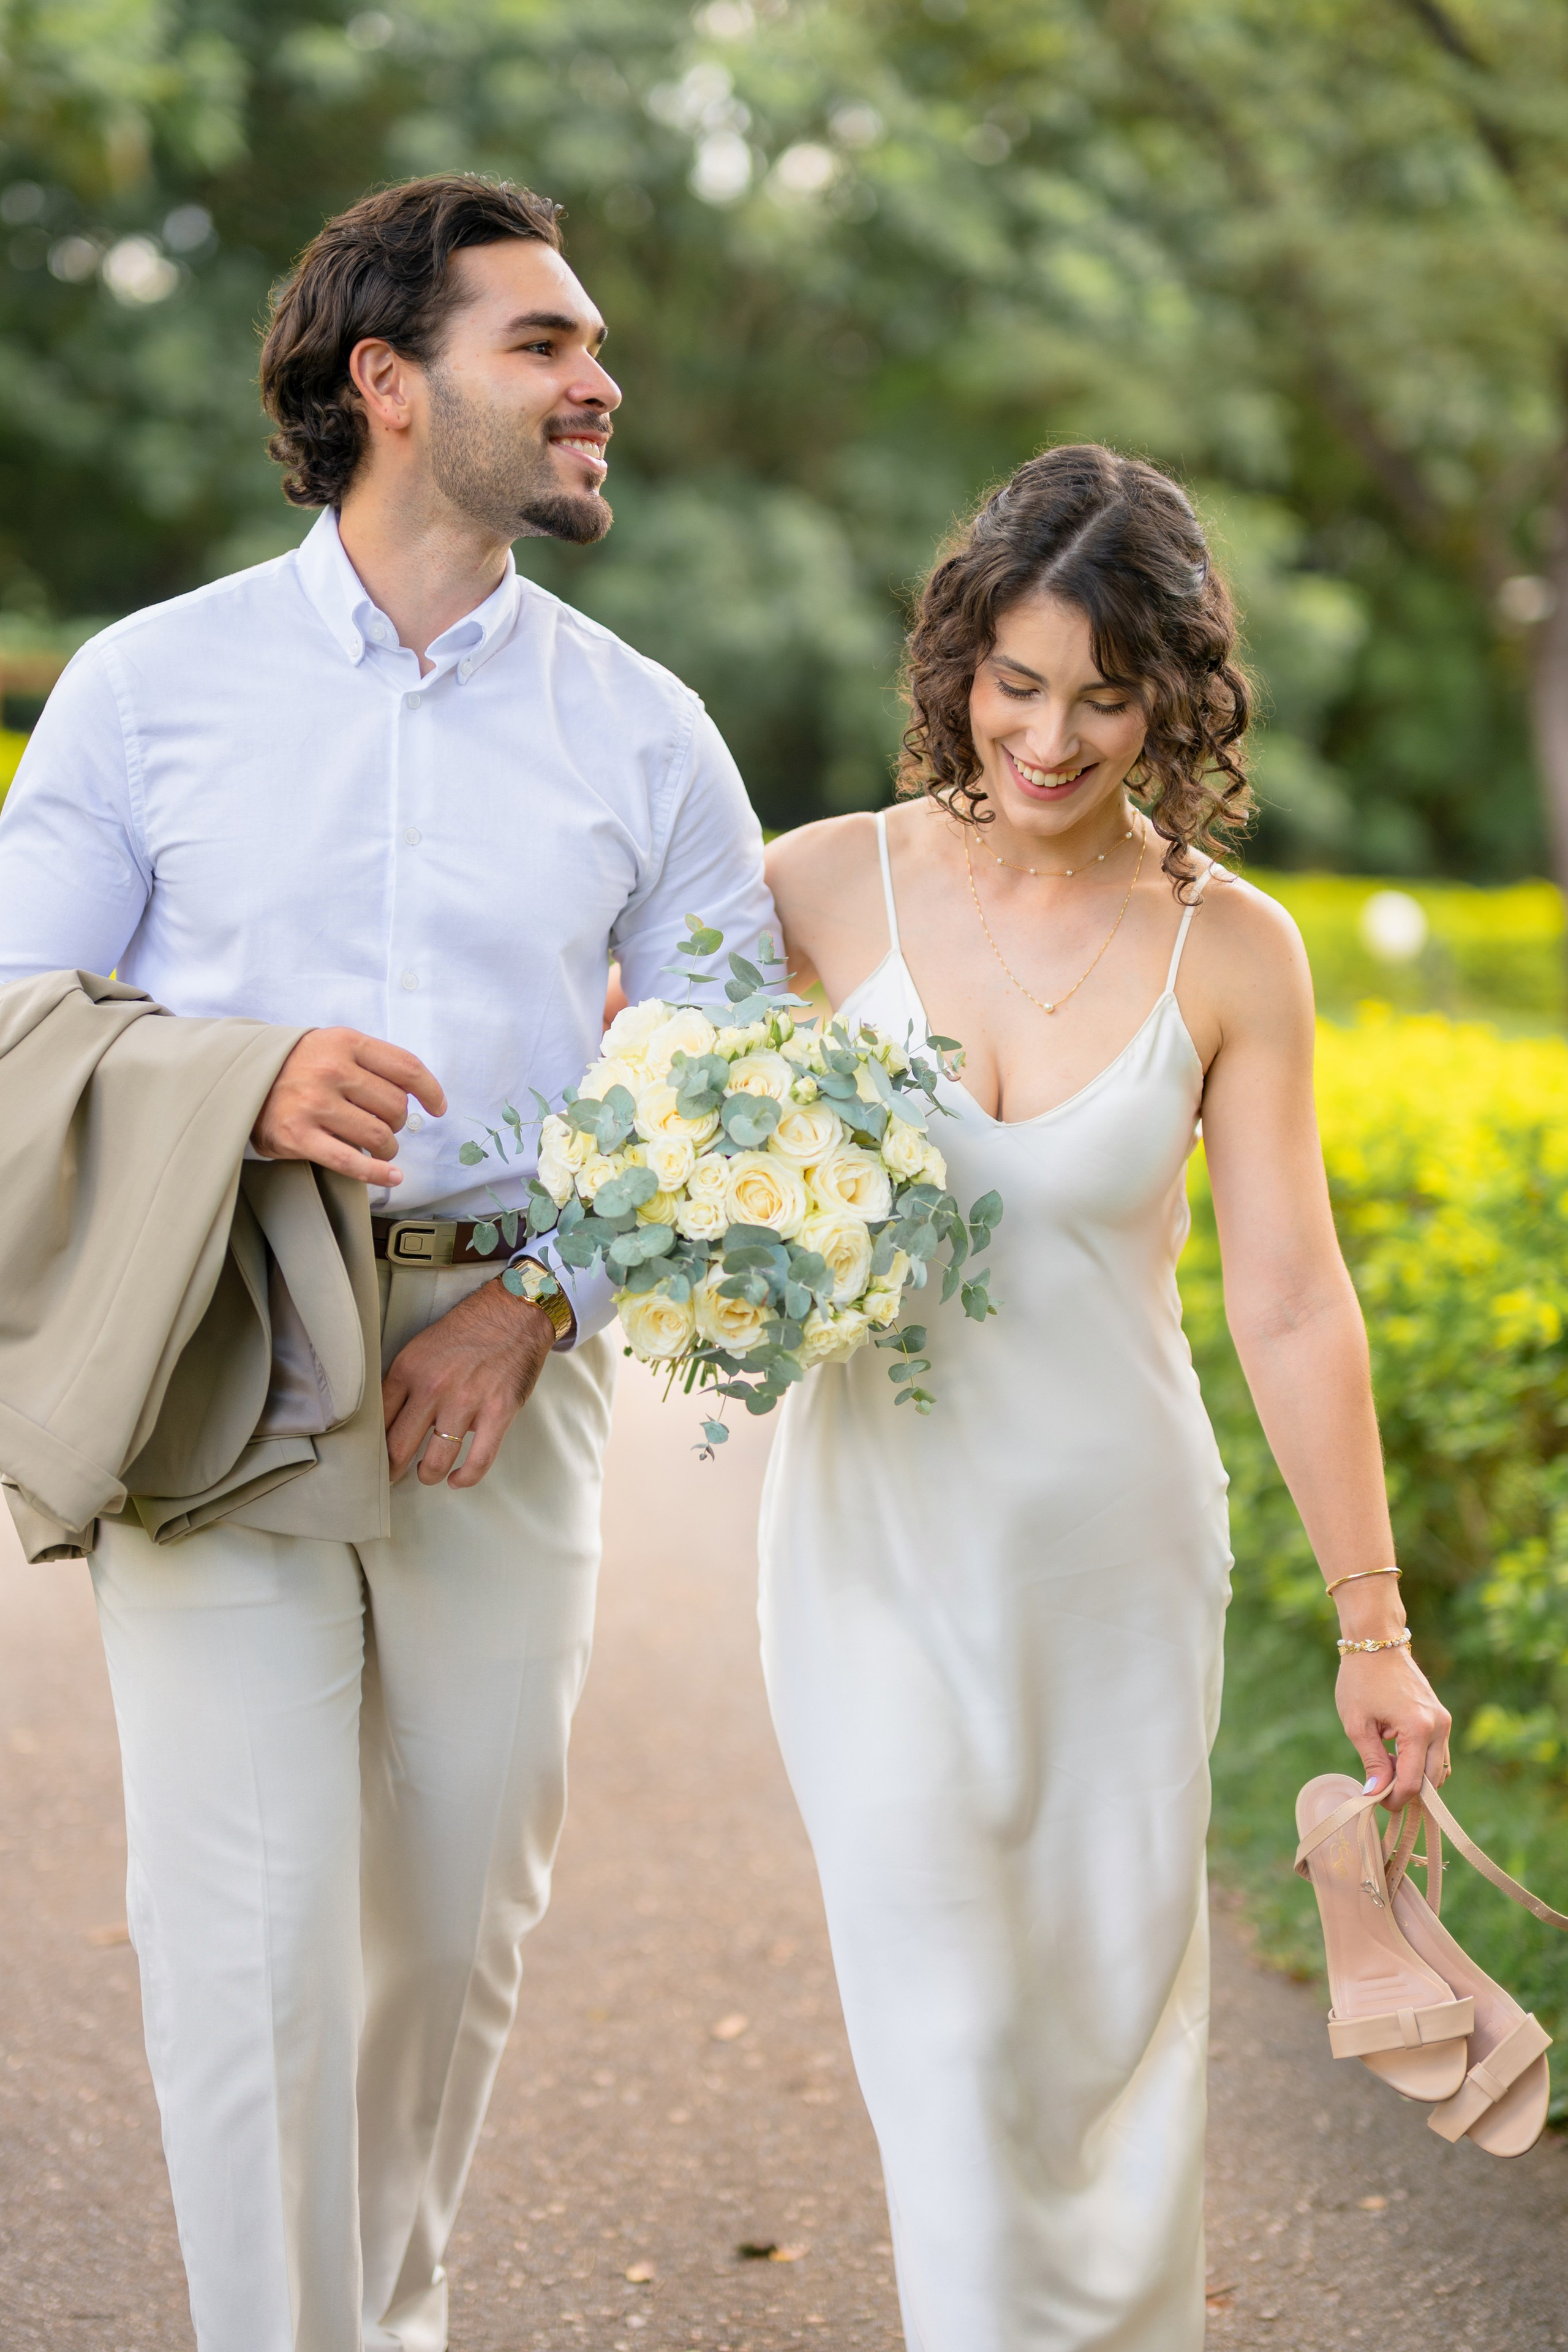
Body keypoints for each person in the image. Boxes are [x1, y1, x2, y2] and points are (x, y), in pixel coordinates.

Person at [0, 175, 772, 2351]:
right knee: (241, 1936)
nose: (600, 381)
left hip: (498, 1372)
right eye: (545, 343)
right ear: (387, 383)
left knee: (449, 1925)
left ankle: (385, 2323)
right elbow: (7, 1004)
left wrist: (540, 1312)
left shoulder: (647, 726)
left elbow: (733, 1073)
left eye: (592, 347)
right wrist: (236, 1083)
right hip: (221, 1332)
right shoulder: (152, 692)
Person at [757, 444, 1451, 2351]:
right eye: (1017, 684)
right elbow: (630, 1109)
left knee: (1109, 2048)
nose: (1053, 738)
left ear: (1175, 696)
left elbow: (1294, 1300)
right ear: (959, 663)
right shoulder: (817, 887)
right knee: (952, 2022)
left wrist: (1376, 1629)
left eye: (1106, 694)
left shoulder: (1235, 949)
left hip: (1121, 1564)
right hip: (876, 1546)